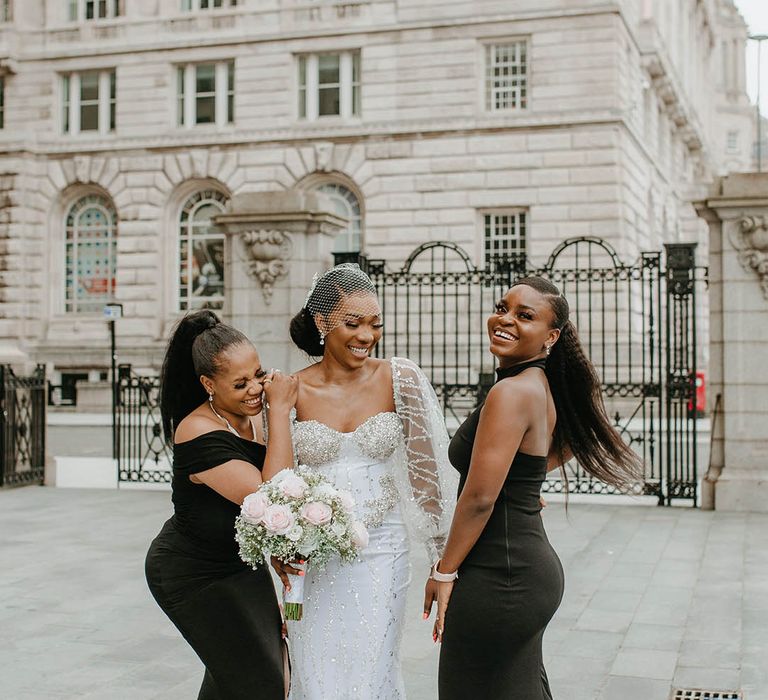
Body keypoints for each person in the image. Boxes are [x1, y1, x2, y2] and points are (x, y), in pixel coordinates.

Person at [425, 276, 641, 699]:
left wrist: (443, 570)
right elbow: (554, 447)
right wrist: (524, 482)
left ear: (551, 336)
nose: (504, 320)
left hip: (500, 576)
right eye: (502, 308)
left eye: (525, 316)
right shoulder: (536, 385)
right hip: (519, 571)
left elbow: (480, 498)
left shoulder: (513, 391)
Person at [272, 263, 455, 700]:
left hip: (384, 550)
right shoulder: (291, 390)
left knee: (374, 666)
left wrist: (440, 562)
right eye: (352, 324)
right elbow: (277, 484)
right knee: (316, 675)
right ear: (322, 323)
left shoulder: (400, 378)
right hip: (313, 558)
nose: (366, 336)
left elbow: (427, 473)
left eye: (375, 325)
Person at [145, 310, 298, 700]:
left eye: (259, 375)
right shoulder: (196, 430)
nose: (255, 390)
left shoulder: (252, 416)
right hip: (192, 573)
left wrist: (275, 551)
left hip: (239, 564)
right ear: (208, 384)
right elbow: (271, 494)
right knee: (259, 684)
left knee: (259, 673)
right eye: (240, 383)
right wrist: (279, 410)